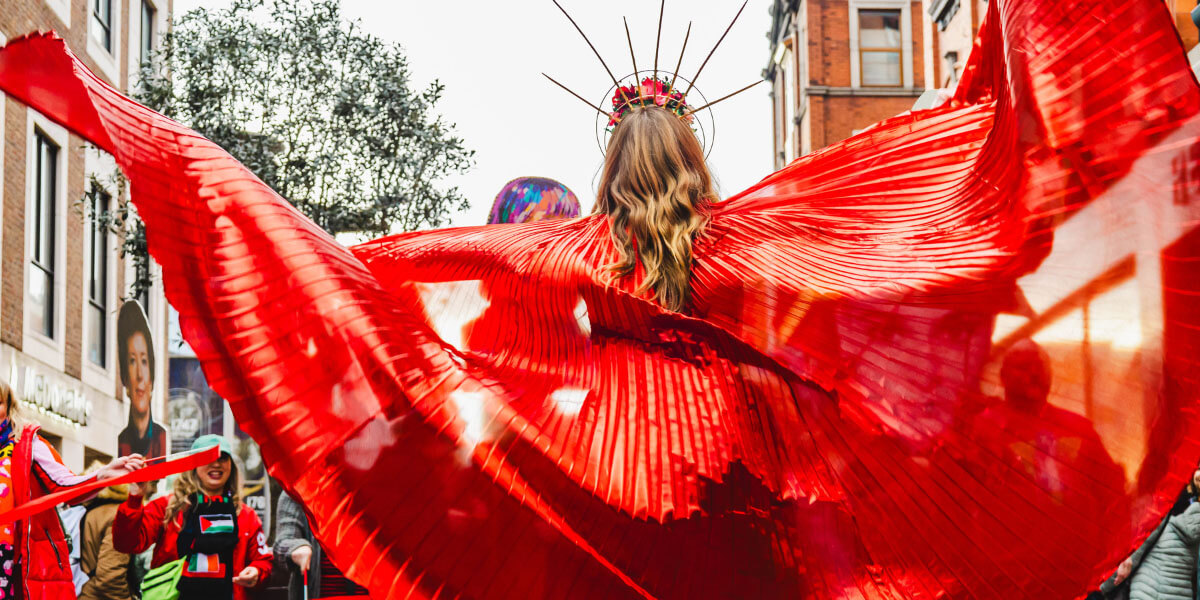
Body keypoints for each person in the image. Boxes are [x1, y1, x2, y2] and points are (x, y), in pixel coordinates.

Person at [4, 0, 1200, 596]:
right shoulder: (759, 251)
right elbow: (911, 229)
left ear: (612, 165)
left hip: (610, 525)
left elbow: (411, 269)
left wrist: (212, 186)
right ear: (694, 161)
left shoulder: (566, 266)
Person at [0, 381, 145, 600]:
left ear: (9, 406)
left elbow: (65, 485)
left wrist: (103, 474)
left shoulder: (27, 444)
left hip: (13, 561)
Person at [112, 434, 272, 600]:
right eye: (208, 457)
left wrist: (256, 572)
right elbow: (126, 544)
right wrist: (135, 498)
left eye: (223, 458)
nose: (216, 464)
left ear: (231, 466)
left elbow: (263, 561)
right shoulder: (167, 507)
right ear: (193, 464)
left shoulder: (246, 515)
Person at [1096, 468, 1200, 600]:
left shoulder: (1169, 503)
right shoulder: (1183, 505)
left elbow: (1139, 548)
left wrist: (1101, 589)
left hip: (1148, 591)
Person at [274, 491, 368, 599]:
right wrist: (297, 547)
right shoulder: (297, 490)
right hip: (321, 595)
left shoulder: (369, 490)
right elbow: (282, 543)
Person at [117, 301, 167, 459]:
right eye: (132, 361)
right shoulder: (122, 441)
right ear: (125, 378)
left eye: (144, 361)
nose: (139, 374)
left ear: (152, 377)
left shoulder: (161, 437)